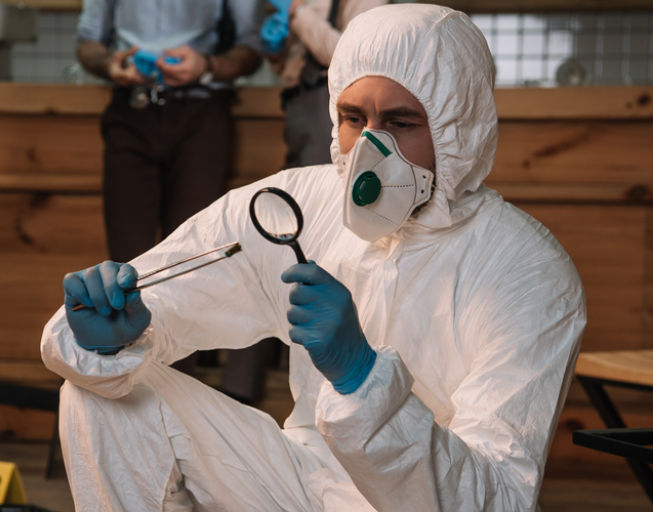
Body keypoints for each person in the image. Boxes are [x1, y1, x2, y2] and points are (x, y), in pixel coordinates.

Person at [44, 4, 586, 511]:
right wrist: (117, 330)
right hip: (303, 482)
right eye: (353, 117)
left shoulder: (527, 271)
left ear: (457, 129)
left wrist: (364, 381)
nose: (370, 149)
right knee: (102, 390)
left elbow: (497, 499)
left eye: (400, 123)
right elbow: (168, 290)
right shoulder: (298, 205)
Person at [75, 0, 265, 376]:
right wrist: (109, 64)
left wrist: (208, 65)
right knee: (127, 264)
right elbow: (88, 41)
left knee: (189, 262)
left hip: (201, 114)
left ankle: (177, 387)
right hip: (130, 112)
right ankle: (126, 383)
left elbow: (251, 47)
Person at [261, 0, 386, 168]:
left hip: (328, 104)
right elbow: (289, 66)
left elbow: (350, 57)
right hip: (296, 104)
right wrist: (275, 54)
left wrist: (297, 11)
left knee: (319, 179)